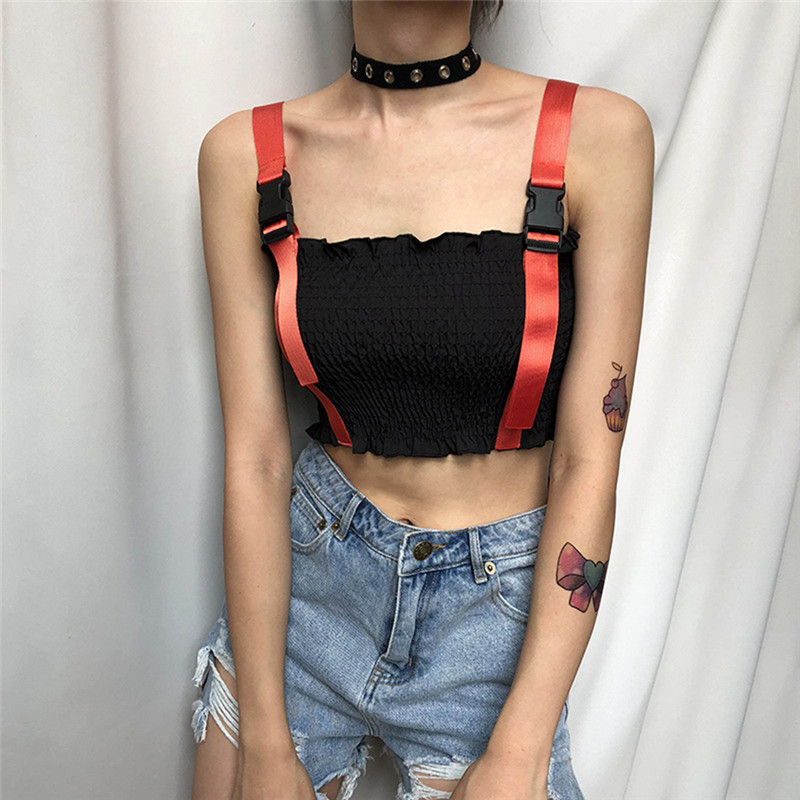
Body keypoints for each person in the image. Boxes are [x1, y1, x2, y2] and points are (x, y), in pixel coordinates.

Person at [189, 1, 654, 798]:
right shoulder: (246, 154)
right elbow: (258, 458)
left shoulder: (596, 136)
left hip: (496, 628)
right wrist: (265, 735)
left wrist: (522, 747)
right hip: (303, 600)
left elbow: (588, 460)